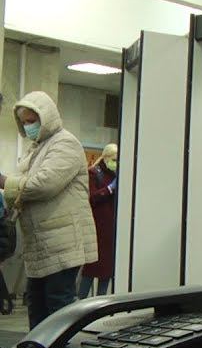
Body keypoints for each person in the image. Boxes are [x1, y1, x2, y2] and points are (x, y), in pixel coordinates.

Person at [0, 92, 97, 328]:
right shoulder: (36, 149)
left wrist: (3, 181)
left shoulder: (65, 144)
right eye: (24, 122)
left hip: (61, 243)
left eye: (31, 120)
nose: (27, 126)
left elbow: (43, 185)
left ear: (46, 117)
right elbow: (23, 185)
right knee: (36, 306)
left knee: (58, 308)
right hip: (40, 243)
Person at [79, 144, 118, 298]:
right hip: (96, 229)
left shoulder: (116, 175)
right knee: (91, 268)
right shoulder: (94, 173)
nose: (116, 163)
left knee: (107, 270)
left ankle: (102, 301)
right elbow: (91, 198)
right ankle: (81, 300)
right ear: (106, 157)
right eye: (114, 160)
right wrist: (109, 189)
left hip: (111, 230)